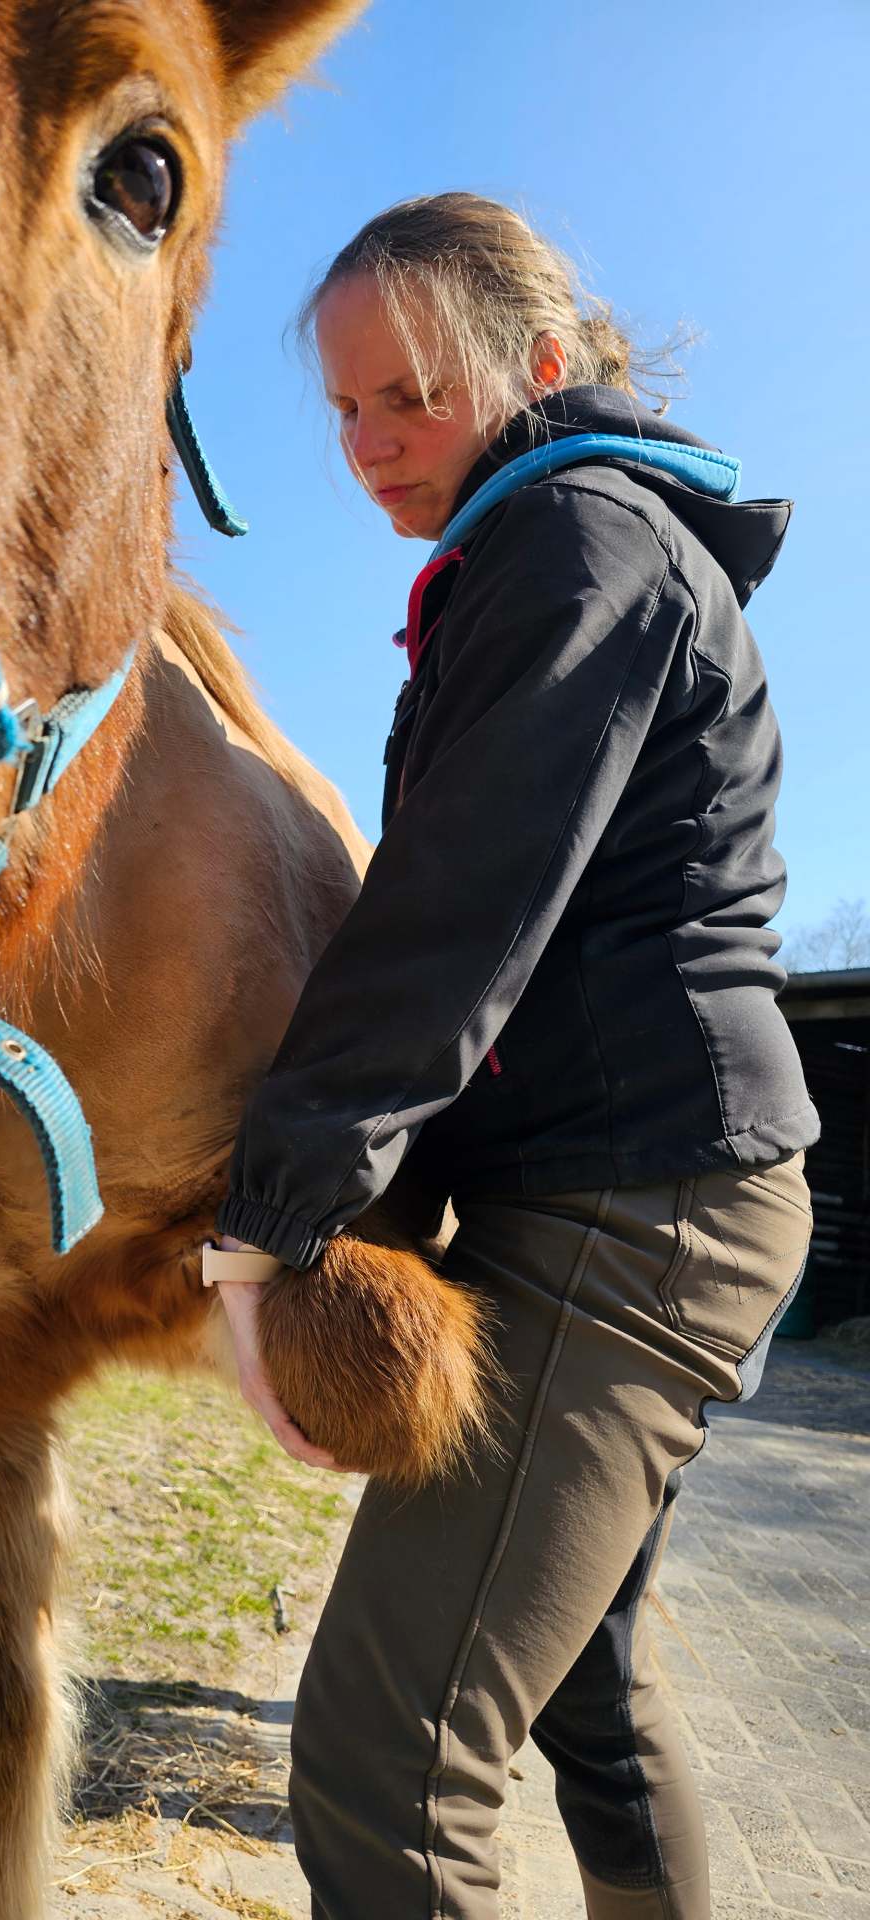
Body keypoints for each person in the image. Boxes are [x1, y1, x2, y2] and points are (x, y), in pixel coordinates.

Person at [207, 193, 818, 1919]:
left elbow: (457, 921)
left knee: (383, 1763)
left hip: (635, 1216)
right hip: (677, 1189)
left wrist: (275, 1221)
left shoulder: (576, 544)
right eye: (338, 411)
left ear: (537, 365)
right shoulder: (586, 538)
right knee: (587, 1693)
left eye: (405, 397)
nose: (365, 446)